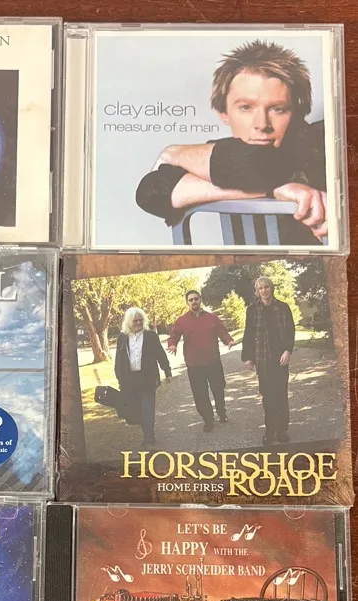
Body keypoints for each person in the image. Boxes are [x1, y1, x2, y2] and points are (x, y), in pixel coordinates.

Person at [135, 40, 328, 244]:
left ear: (297, 112)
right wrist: (274, 190)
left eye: (277, 109)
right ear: (223, 113)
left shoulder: (323, 141)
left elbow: (256, 163)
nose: (262, 124)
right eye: (246, 107)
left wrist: (174, 153)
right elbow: (152, 191)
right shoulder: (226, 154)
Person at [167, 290, 234, 431]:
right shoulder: (181, 321)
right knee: (200, 394)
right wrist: (172, 345)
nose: (194, 302)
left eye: (196, 299)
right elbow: (174, 335)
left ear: (200, 300)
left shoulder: (212, 318)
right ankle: (208, 420)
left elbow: (222, 332)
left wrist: (229, 341)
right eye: (190, 300)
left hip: (213, 362)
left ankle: (221, 412)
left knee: (218, 389)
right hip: (194, 365)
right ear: (187, 303)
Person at [241, 275, 296, 444]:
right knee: (267, 396)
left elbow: (290, 331)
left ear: (271, 288)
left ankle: (281, 430)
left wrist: (287, 350)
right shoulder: (252, 310)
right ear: (257, 291)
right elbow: (248, 334)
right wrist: (247, 357)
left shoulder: (283, 307)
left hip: (280, 359)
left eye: (266, 287)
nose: (264, 291)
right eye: (260, 288)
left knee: (281, 394)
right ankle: (270, 430)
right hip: (263, 360)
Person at [114, 307, 172, 447]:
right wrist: (120, 378)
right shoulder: (122, 338)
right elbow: (118, 360)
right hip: (129, 380)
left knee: (147, 409)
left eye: (141, 320)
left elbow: (160, 354)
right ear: (129, 322)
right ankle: (147, 431)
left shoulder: (150, 336)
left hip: (147, 379)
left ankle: (149, 438)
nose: (139, 323)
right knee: (135, 411)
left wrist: (167, 371)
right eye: (135, 321)